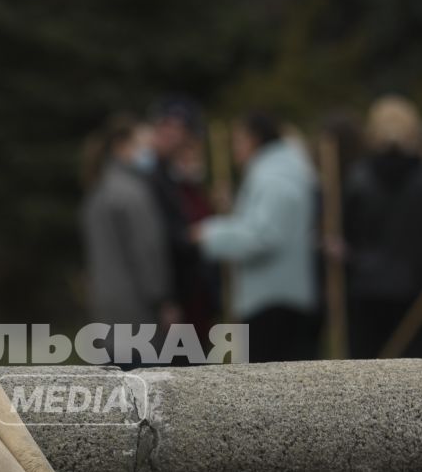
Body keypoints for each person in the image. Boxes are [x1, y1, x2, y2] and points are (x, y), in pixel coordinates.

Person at [193, 111, 319, 362]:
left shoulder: (275, 177)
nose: (234, 149)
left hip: (271, 301)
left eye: (238, 140)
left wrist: (209, 234)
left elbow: (263, 236)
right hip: (279, 297)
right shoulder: (282, 171)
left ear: (254, 139)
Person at [342, 96, 422, 358]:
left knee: (365, 375)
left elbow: (346, 236)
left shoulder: (358, 178)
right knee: (415, 378)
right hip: (418, 292)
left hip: (367, 290)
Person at [79, 113, 174, 353]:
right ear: (122, 146)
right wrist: (161, 298)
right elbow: (147, 250)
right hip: (136, 311)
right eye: (143, 146)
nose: (149, 153)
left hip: (104, 308)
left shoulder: (98, 190)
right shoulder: (133, 193)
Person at [146, 96, 220, 344]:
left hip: (191, 290)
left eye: (181, 130)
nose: (174, 136)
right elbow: (158, 238)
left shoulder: (173, 178)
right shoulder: (153, 177)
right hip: (174, 291)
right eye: (168, 128)